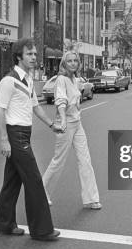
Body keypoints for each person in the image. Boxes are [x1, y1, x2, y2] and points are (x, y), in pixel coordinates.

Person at [0, 38, 62, 241]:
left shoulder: (29, 80)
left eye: (34, 54)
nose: (34, 57)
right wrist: (4, 139)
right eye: (29, 54)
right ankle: (41, 230)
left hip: (25, 134)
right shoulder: (9, 80)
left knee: (12, 182)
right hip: (15, 135)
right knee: (33, 181)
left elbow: (35, 107)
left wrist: (51, 124)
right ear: (19, 57)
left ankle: (4, 224)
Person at [42, 51, 102, 210]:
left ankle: (91, 198)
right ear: (64, 64)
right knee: (58, 160)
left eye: (76, 60)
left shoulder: (75, 79)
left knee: (85, 159)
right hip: (66, 123)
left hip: (77, 123)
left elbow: (76, 100)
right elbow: (60, 100)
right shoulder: (61, 79)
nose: (73, 63)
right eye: (70, 61)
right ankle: (41, 193)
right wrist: (62, 119)